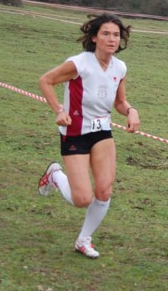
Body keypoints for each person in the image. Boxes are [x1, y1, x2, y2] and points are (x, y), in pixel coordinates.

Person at [37, 13, 140, 259]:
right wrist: (59, 111)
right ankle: (54, 175)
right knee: (82, 198)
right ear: (94, 37)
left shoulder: (120, 67)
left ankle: (84, 239)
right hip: (75, 132)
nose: (111, 39)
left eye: (116, 34)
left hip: (102, 132)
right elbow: (46, 80)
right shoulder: (79, 64)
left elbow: (120, 102)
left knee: (104, 191)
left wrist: (131, 111)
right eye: (105, 33)